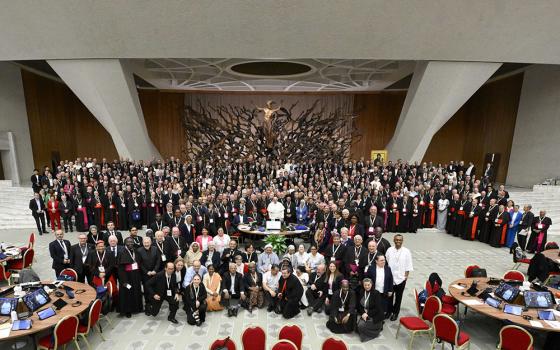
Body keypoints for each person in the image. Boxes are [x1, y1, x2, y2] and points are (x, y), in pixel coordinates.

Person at [385, 234, 413, 321]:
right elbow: (386, 262)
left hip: (401, 278)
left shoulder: (406, 251)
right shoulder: (389, 250)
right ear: (394, 240)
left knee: (398, 297)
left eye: (400, 240)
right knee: (389, 296)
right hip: (390, 278)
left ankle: (395, 313)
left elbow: (408, 265)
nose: (398, 241)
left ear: (402, 241)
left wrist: (405, 277)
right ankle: (389, 311)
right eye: (396, 240)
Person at [117, 237, 144, 317]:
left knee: (136, 291)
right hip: (126, 278)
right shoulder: (121, 252)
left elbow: (139, 262)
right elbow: (121, 268)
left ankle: (137, 308)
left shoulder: (136, 251)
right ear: (125, 243)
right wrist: (124, 281)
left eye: (132, 242)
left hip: (136, 276)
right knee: (127, 293)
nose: (130, 243)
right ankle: (127, 310)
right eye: (128, 242)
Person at [137, 236, 160, 314]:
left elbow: (158, 261)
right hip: (145, 274)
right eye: (145, 242)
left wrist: (155, 270)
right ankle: (147, 307)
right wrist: (146, 272)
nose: (146, 244)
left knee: (155, 289)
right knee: (147, 291)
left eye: (148, 242)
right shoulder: (139, 250)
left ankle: (154, 305)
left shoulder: (155, 249)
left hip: (154, 274)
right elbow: (139, 264)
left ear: (150, 242)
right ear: (142, 243)